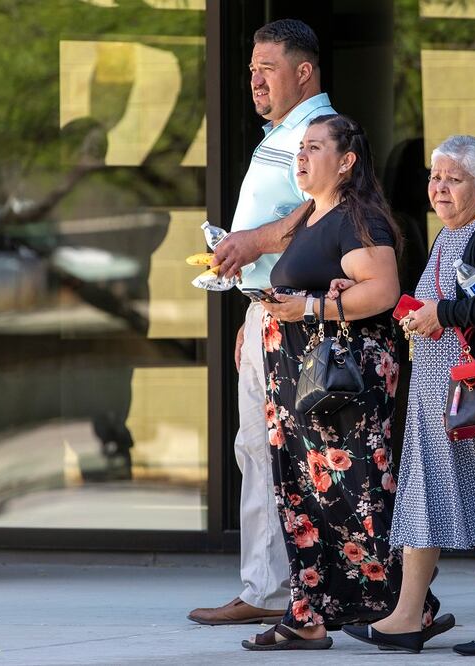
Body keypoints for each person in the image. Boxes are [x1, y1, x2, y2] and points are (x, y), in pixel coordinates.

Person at [242, 114, 453, 650]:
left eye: (315, 147)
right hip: (297, 381)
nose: (302, 156)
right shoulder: (311, 214)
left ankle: (409, 607)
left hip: (345, 382)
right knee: (302, 498)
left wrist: (309, 305)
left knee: (355, 495)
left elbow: (382, 291)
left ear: (347, 161)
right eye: (301, 148)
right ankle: (306, 614)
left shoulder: (360, 219)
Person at [343, 135, 475, 656]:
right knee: (424, 497)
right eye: (435, 178)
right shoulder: (446, 237)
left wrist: (444, 314)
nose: (439, 188)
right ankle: (407, 617)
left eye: (453, 179)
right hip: (441, 393)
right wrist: (422, 313)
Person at [188, 19, 336, 626]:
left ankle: (301, 592)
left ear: (303, 72)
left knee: (303, 457)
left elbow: (328, 206)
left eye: (266, 68)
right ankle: (266, 588)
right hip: (265, 312)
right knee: (254, 450)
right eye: (251, 69)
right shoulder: (281, 131)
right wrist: (250, 307)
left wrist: (254, 242)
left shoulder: (322, 132)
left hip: (301, 316)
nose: (254, 79)